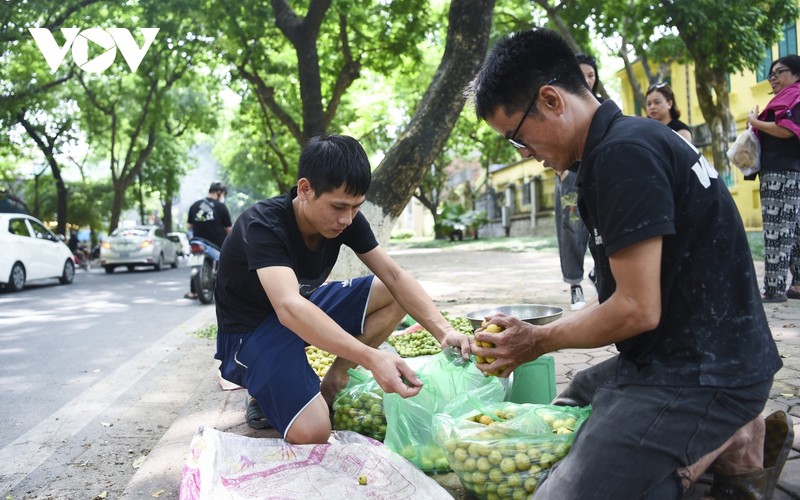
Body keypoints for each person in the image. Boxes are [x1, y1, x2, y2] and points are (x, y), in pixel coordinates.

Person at [467, 28, 790, 498]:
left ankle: (727, 437)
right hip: (679, 354)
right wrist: (538, 333)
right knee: (573, 401)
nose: (527, 155)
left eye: (517, 138)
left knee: (562, 491)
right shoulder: (613, 148)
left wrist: (537, 340)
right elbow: (623, 299)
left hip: (706, 370)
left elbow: (638, 309)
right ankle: (730, 440)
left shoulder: (623, 154)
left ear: (552, 100)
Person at [213, 134, 471, 444]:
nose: (346, 219)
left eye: (355, 207)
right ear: (305, 188)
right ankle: (260, 388)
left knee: (391, 291)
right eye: (338, 207)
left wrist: (443, 331)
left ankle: (334, 378)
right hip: (250, 334)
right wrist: (372, 358)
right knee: (314, 431)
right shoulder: (263, 224)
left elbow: (394, 275)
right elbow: (288, 307)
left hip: (300, 310)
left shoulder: (346, 219)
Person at [747, 55, 800, 303]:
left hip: (781, 173)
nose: (774, 77)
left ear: (797, 74)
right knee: (794, 230)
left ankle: (774, 289)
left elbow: (788, 130)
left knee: (777, 231)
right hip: (788, 172)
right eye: (771, 73)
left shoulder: (794, 97)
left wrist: (756, 122)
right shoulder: (788, 98)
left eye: (780, 72)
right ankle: (797, 284)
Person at [552, 53, 601, 310]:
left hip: (600, 176)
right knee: (572, 233)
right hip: (570, 178)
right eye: (583, 74)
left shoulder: (603, 107)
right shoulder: (559, 107)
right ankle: (575, 286)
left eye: (592, 75)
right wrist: (562, 173)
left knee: (604, 229)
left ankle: (601, 275)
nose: (588, 79)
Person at [185, 181, 232, 299]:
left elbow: (189, 226)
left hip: (198, 241)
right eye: (223, 194)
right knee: (227, 262)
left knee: (195, 263)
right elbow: (229, 229)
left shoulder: (195, 205)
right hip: (217, 244)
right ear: (219, 192)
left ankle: (193, 292)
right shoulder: (221, 207)